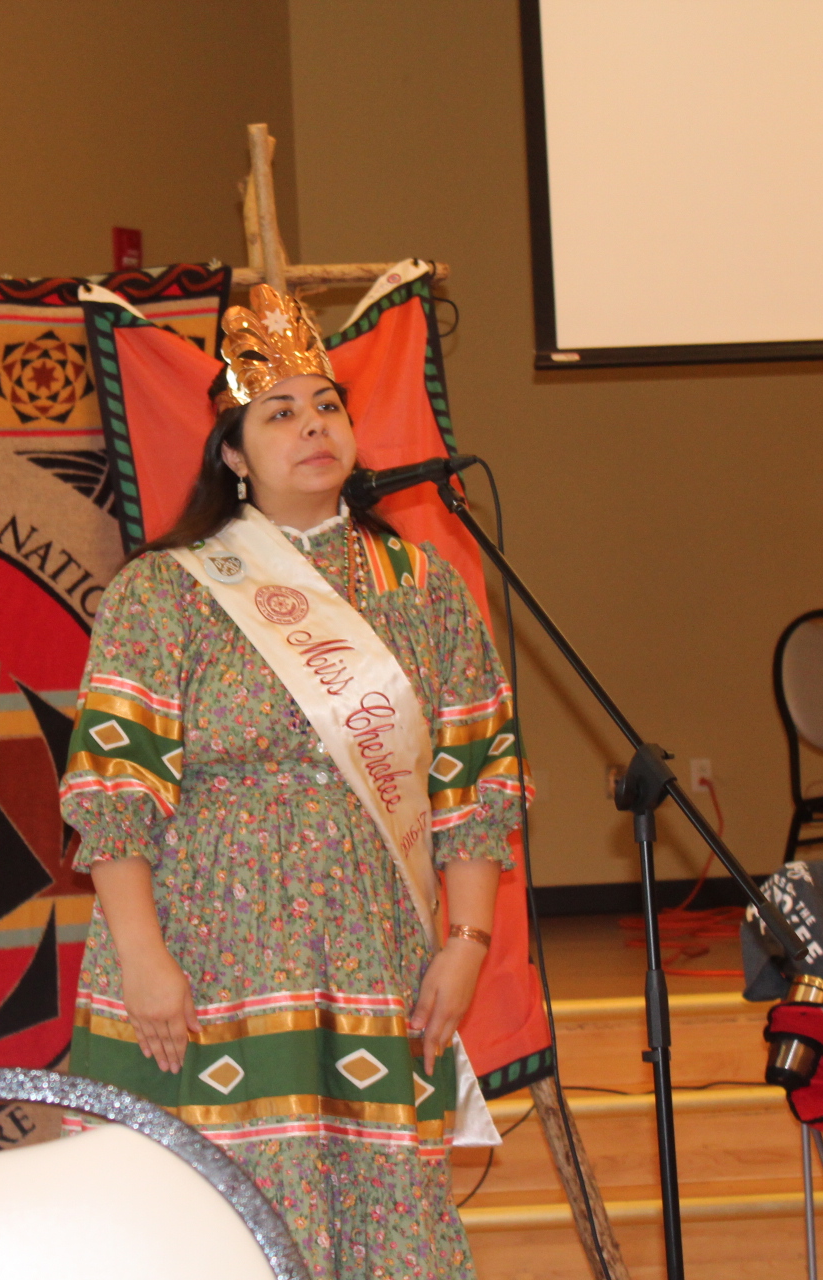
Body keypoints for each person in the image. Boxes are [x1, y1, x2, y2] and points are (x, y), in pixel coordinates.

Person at [59, 286, 524, 1280]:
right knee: (207, 1208)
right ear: (231, 453)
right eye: (281, 411)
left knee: (379, 1208)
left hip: (370, 950)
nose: (313, 424)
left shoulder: (423, 587)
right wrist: (143, 956)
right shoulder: (167, 589)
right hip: (201, 950)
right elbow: (113, 786)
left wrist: (469, 942)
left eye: (329, 405)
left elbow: (475, 782)